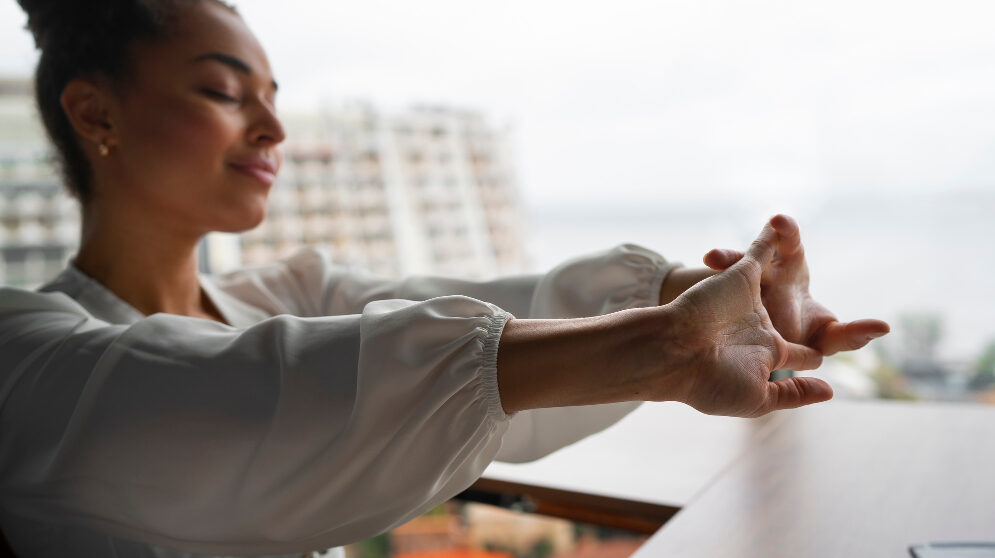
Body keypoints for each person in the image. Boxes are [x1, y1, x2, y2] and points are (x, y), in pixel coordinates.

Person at [0, 0, 890, 557]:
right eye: (226, 93)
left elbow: (499, 314)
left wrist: (688, 298)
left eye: (272, 93)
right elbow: (258, 400)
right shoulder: (23, 351)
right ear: (94, 112)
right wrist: (664, 344)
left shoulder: (287, 296)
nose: (273, 126)